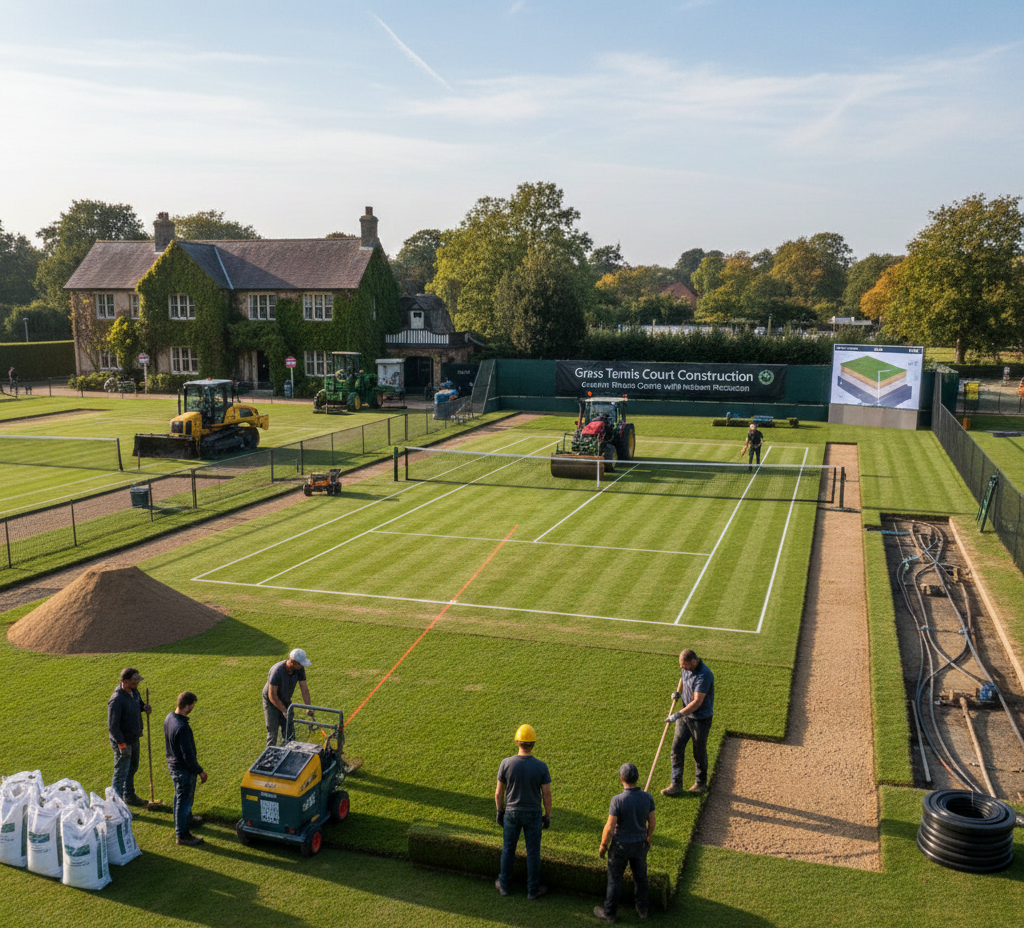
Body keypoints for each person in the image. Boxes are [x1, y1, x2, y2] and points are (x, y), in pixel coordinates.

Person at [495, 723, 552, 900]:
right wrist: (547, 815)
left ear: (517, 742)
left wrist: (500, 811)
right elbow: (546, 794)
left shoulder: (506, 763)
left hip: (511, 812)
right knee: (533, 852)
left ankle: (504, 886)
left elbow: (498, 793)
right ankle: (533, 890)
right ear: (533, 744)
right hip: (533, 814)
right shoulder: (541, 767)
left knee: (508, 849)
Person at [594, 763, 656, 923]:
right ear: (637, 778)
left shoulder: (617, 800)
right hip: (640, 845)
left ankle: (609, 913)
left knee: (615, 880)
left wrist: (603, 845)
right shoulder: (647, 797)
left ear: (622, 779)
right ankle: (643, 910)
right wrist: (648, 836)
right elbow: (652, 822)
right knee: (641, 878)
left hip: (620, 847)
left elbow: (609, 828)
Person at [661, 649, 715, 796]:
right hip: (685, 716)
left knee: (698, 752)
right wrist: (678, 692)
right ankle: (676, 784)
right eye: (681, 666)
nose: (683, 668)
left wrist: (677, 714)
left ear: (694, 661)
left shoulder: (704, 675)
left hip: (700, 720)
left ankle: (700, 784)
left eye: (685, 666)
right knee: (676, 749)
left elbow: (697, 702)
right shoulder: (686, 668)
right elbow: (683, 678)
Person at [164, 691, 207, 847]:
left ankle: (187, 820)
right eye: (192, 705)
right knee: (183, 801)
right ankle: (182, 835)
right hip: (183, 769)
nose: (192, 708)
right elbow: (188, 756)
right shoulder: (182, 728)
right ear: (187, 706)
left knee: (179, 797)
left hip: (173, 765)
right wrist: (200, 771)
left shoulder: (169, 718)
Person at [107, 667, 151, 806]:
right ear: (125, 682)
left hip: (134, 737)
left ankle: (129, 796)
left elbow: (138, 703)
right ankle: (116, 805)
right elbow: (113, 727)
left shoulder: (134, 691)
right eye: (134, 680)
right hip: (123, 742)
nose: (137, 683)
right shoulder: (116, 700)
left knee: (132, 768)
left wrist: (144, 707)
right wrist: (121, 745)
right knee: (121, 773)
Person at [262, 648, 313, 748]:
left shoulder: (299, 669)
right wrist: (284, 711)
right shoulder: (277, 671)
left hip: (285, 699)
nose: (301, 666)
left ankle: (290, 749)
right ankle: (270, 753)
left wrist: (308, 707)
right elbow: (272, 695)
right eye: (300, 664)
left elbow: (304, 688)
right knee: (273, 731)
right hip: (271, 702)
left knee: (289, 729)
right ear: (293, 662)